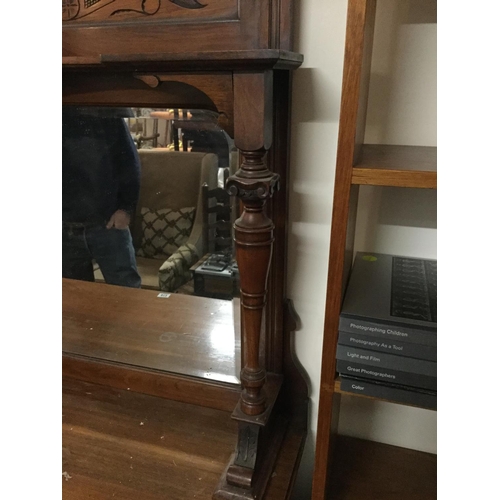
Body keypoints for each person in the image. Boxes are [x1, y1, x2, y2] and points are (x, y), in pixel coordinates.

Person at [62, 106, 142, 288]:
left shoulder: (104, 112)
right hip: (64, 227)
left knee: (127, 296)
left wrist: (126, 208)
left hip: (108, 223)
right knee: (76, 299)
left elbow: (129, 162)